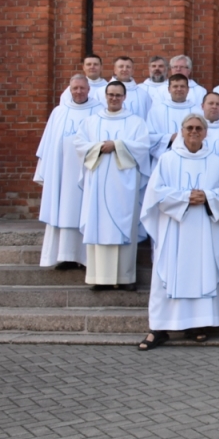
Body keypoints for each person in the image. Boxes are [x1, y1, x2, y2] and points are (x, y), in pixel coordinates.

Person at [138, 114, 219, 350]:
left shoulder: (217, 161)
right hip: (174, 228)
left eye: (199, 128)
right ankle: (159, 328)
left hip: (206, 228)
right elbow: (155, 193)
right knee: (167, 273)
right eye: (189, 128)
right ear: (182, 131)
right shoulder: (167, 160)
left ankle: (199, 324)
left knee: (202, 270)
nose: (194, 132)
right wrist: (186, 197)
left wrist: (208, 196)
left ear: (206, 133)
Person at [76, 81, 152, 291]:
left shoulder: (136, 122)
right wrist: (100, 146)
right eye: (111, 95)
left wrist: (116, 145)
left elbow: (143, 146)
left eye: (118, 95)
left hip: (124, 186)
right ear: (105, 96)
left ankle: (126, 278)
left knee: (124, 227)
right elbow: (80, 145)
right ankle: (99, 278)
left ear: (125, 97)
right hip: (98, 185)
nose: (114, 98)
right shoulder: (91, 122)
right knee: (98, 225)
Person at [35, 75, 103, 270]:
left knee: (85, 209)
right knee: (63, 208)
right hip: (61, 172)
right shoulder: (59, 112)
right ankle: (63, 256)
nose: (78, 92)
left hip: (87, 171)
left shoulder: (98, 111)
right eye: (75, 88)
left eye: (82, 88)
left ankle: (85, 258)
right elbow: (48, 144)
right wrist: (45, 169)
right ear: (69, 89)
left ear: (88, 89)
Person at [146, 74, 201, 165]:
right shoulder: (156, 111)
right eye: (175, 86)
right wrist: (170, 138)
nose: (179, 89)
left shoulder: (198, 112)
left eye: (182, 86)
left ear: (188, 90)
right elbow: (148, 137)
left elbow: (205, 136)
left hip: (191, 159)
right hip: (163, 161)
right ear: (169, 89)